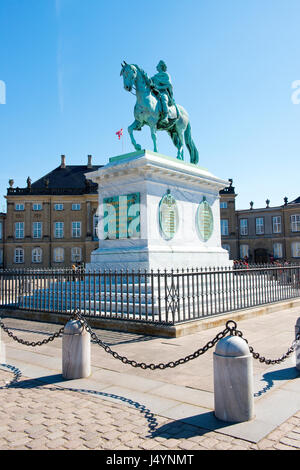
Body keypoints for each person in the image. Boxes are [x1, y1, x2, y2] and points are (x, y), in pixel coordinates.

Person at [151, 60, 174, 125]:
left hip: (163, 92)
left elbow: (169, 85)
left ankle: (166, 116)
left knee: (163, 99)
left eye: (157, 66)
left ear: (161, 67)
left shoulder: (166, 75)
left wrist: (159, 87)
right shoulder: (154, 77)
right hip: (155, 93)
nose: (156, 67)